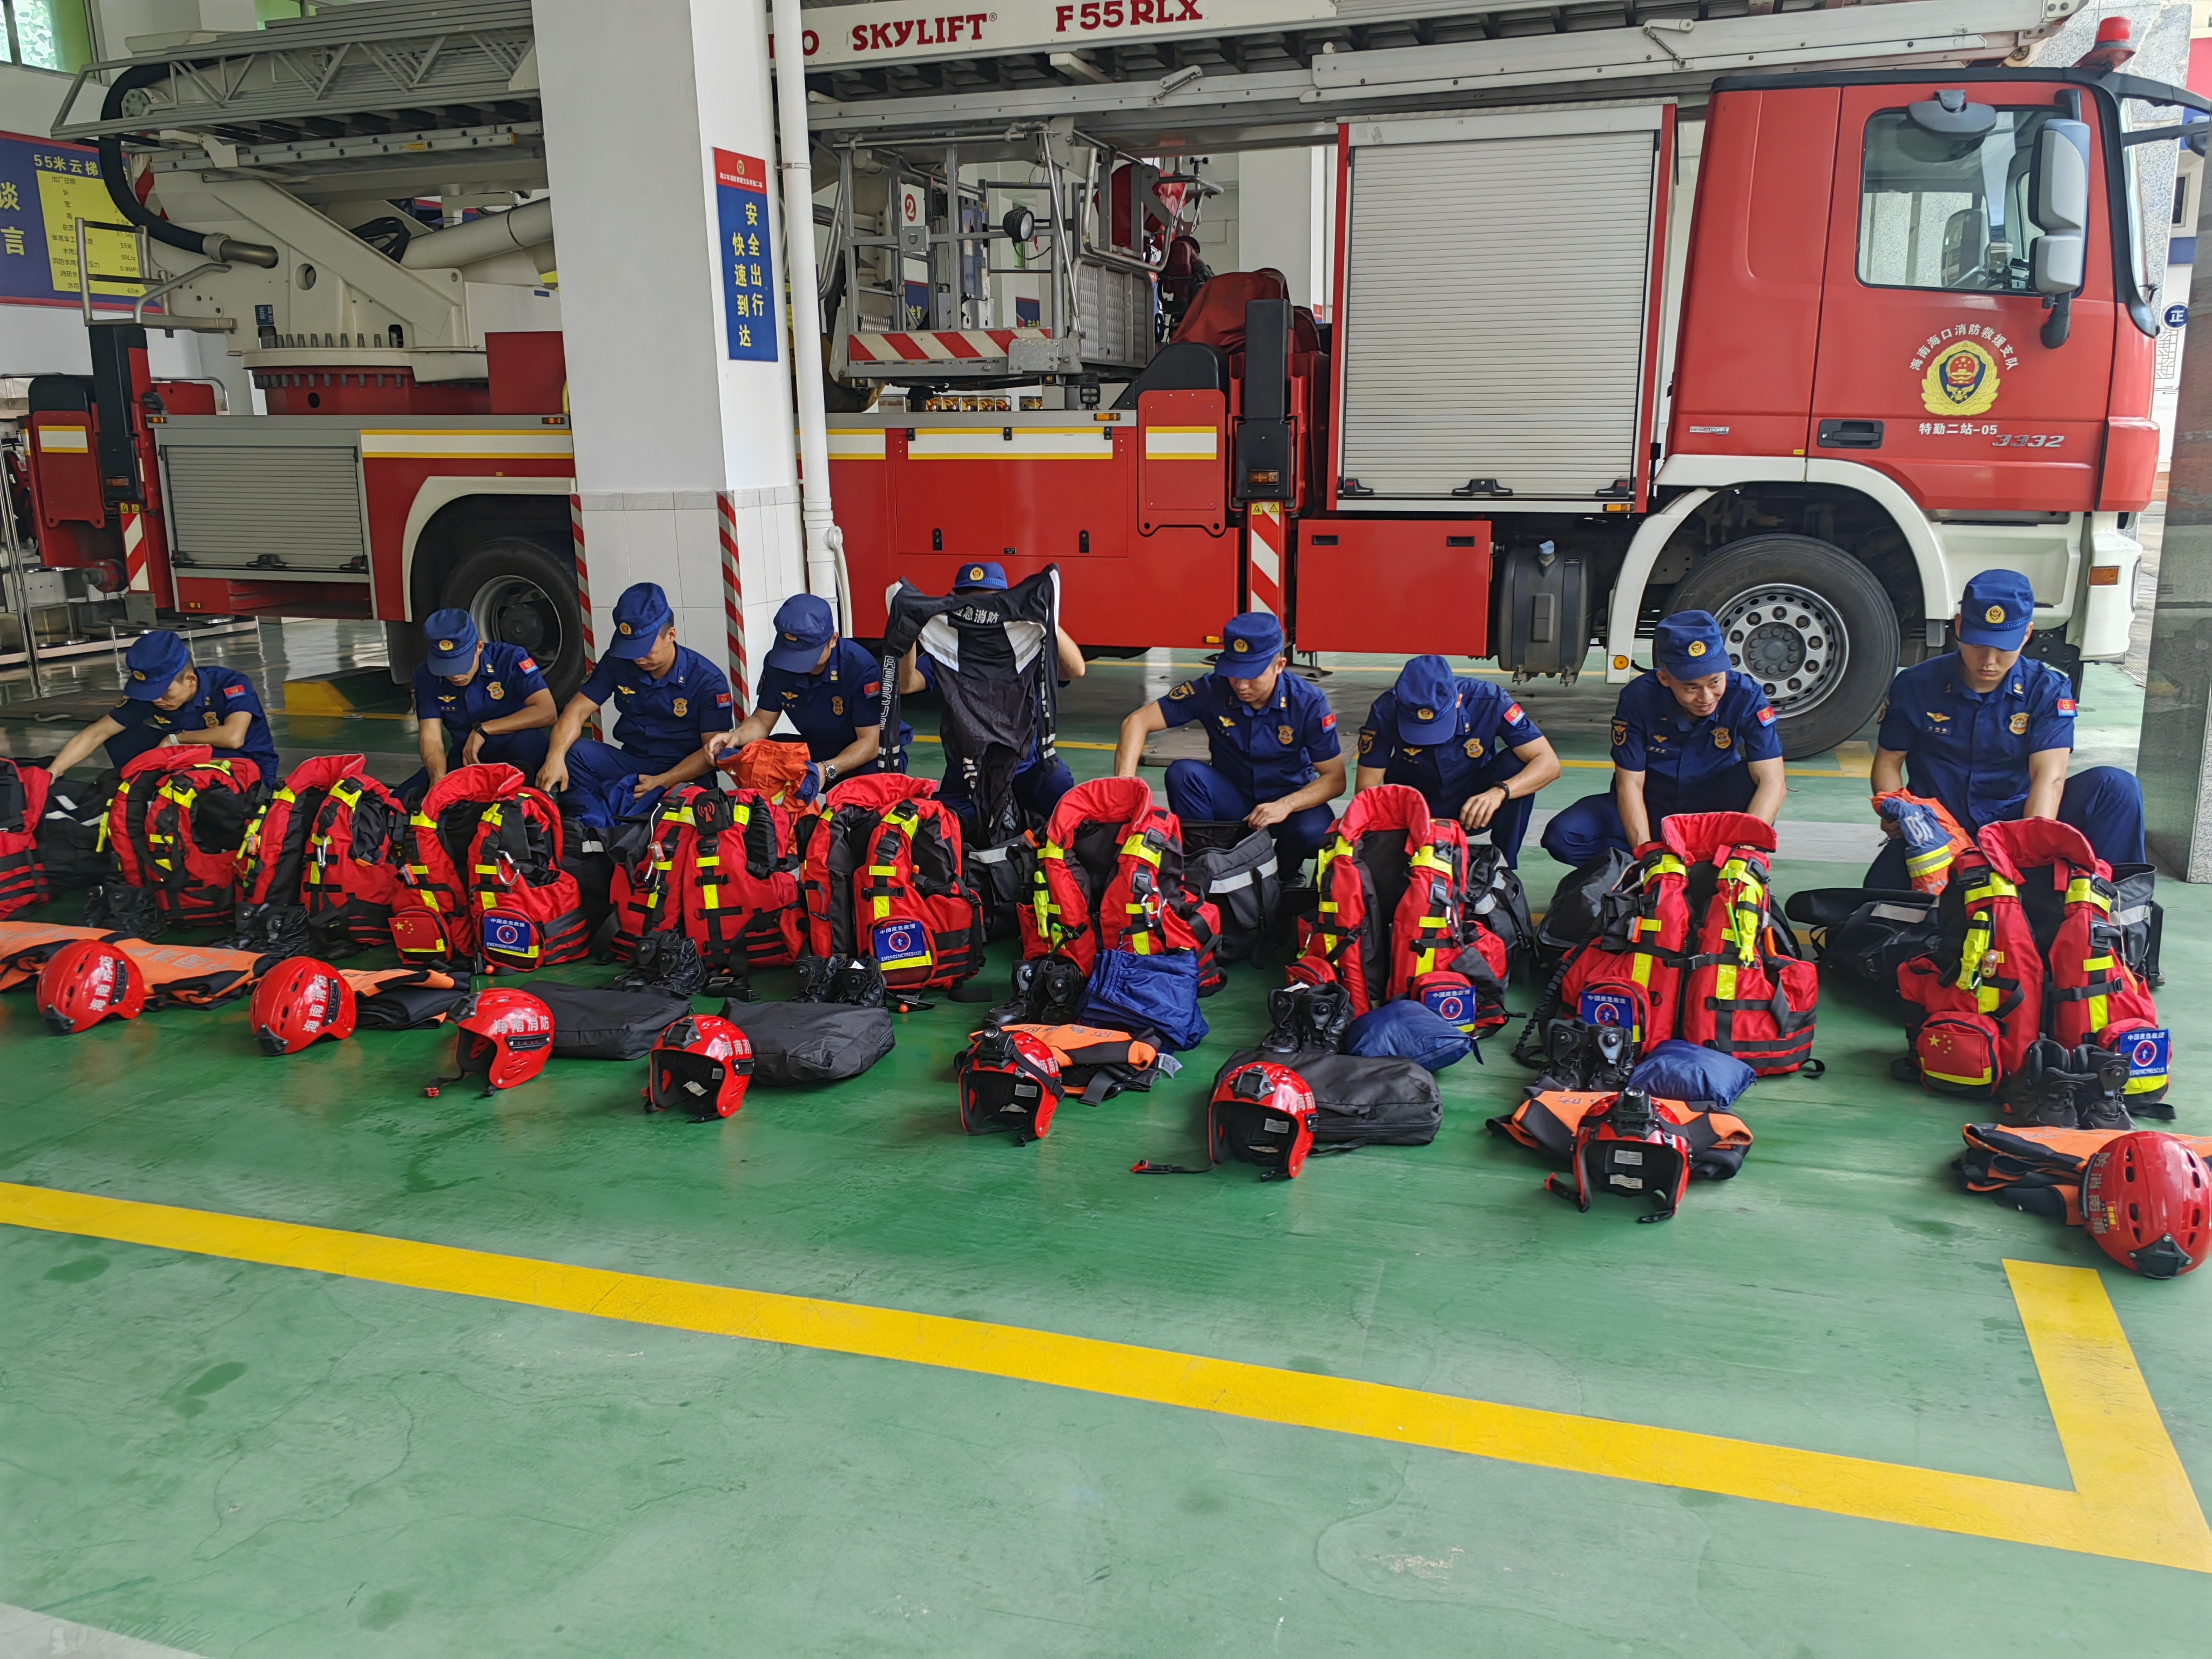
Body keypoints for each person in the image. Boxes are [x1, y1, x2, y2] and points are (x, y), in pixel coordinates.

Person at [1865, 568, 2142, 884]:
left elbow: (2049, 778)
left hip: (2016, 821)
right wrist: (1893, 806)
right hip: (1938, 827)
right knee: (1881, 897)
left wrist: (2027, 852)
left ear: (2026, 634)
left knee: (2117, 788)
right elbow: (1888, 762)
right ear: (1959, 627)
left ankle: (2116, 900)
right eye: (1978, 645)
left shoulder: (2047, 689)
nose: (1989, 661)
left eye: (2003, 648)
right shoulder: (1916, 684)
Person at [1541, 611, 1785, 867]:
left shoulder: (1746, 696)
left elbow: (1773, 781)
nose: (1706, 697)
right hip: (1651, 805)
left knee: (1755, 785)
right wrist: (1647, 853)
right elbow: (1630, 784)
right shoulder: (1639, 698)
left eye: (1715, 682)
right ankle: (1643, 869)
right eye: (1691, 687)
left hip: (1712, 809)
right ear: (1664, 678)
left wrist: (1743, 851)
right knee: (1563, 835)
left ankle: (1717, 864)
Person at [1114, 610, 1346, 874]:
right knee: (1183, 774)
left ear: (1280, 666)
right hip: (1232, 799)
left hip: (1288, 800)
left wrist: (1286, 805)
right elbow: (1136, 722)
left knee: (1315, 831)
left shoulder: (1308, 702)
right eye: (1234, 672)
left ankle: (1284, 874)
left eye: (1252, 675)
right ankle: (1208, 867)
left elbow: (1335, 778)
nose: (1241, 685)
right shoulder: (1213, 688)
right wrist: (1125, 794)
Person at [897, 561, 1083, 833]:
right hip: (968, 775)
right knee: (942, 831)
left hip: (1025, 771)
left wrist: (1043, 614)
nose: (980, 610)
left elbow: (1076, 669)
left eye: (989, 601)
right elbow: (907, 684)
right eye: (971, 602)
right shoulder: (952, 647)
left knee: (1060, 790)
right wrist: (908, 632)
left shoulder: (1025, 641)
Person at [535, 582, 731, 826]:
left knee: (680, 812)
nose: (638, 658)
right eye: (631, 649)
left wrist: (664, 780)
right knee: (575, 754)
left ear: (671, 636)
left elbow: (711, 753)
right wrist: (555, 756)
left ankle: (618, 821)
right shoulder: (619, 662)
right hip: (634, 763)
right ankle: (595, 832)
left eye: (645, 649)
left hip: (684, 771)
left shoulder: (708, 681)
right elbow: (577, 711)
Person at [1354, 654, 1561, 865]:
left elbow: (1549, 763)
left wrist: (1500, 792)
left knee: (1518, 765)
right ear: (1399, 702)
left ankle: (1503, 866)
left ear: (1458, 700)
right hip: (1414, 804)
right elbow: (1367, 788)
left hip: (1474, 804)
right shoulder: (1385, 709)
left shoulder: (1491, 701)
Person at [702, 592, 909, 801]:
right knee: (747, 751)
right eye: (792, 655)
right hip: (816, 748)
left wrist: (827, 770)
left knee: (868, 789)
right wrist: (735, 737)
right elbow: (762, 721)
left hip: (862, 753)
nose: (797, 664)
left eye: (807, 655)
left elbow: (871, 742)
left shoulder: (859, 667)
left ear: (833, 641)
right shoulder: (778, 664)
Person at [45, 628, 280, 786]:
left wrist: (176, 739)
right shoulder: (150, 696)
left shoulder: (230, 684)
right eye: (150, 693)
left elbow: (234, 737)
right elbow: (97, 733)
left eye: (165, 691)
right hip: (188, 763)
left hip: (243, 767)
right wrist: (52, 773)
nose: (157, 700)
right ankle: (142, 791)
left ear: (190, 680)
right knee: (120, 736)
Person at [399, 607, 557, 799]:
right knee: (399, 802)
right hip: (468, 759)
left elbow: (547, 711)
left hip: (521, 754)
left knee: (514, 808)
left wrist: (484, 729)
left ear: (479, 647)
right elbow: (431, 738)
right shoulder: (426, 675)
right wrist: (437, 780)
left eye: (462, 665)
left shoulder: (510, 659)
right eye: (446, 668)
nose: (456, 675)